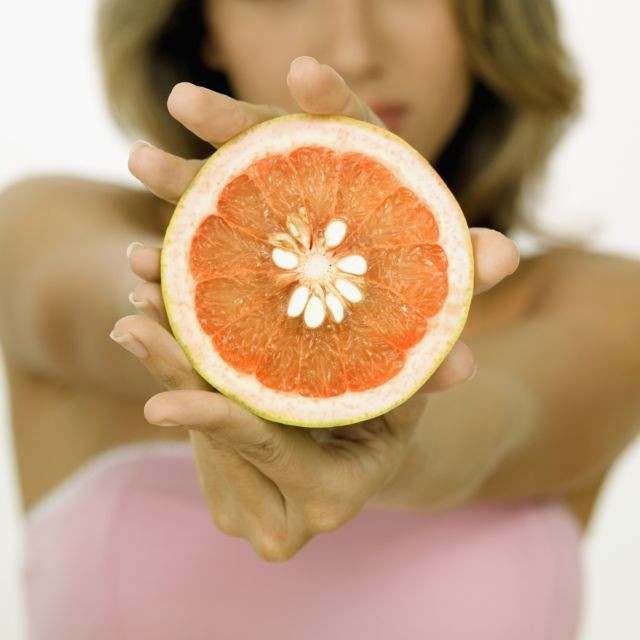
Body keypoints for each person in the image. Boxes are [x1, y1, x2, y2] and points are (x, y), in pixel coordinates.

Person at [0, 0, 638, 638]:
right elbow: (94, 301)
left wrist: (380, 436)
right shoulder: (40, 225)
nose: (355, 51)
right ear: (201, 27)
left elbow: (496, 423)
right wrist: (199, 294)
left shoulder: (605, 302)